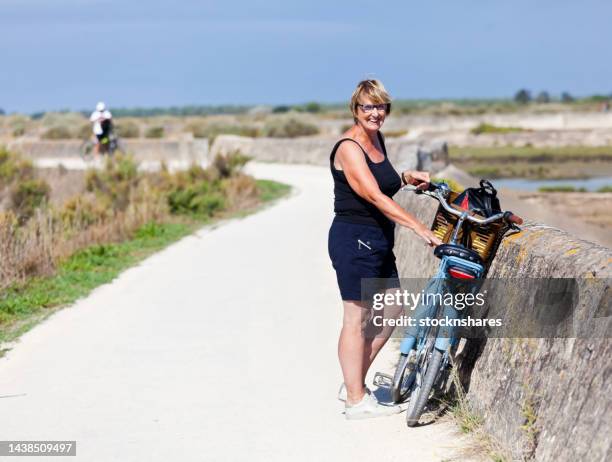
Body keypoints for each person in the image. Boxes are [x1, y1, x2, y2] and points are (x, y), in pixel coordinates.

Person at [328, 79, 442, 420]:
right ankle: (355, 401)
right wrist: (420, 227)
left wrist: (406, 177)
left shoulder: (377, 139)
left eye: (380, 107)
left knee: (392, 309)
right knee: (357, 318)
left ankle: (353, 382)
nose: (375, 113)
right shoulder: (349, 147)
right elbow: (374, 195)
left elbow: (386, 182)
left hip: (378, 238)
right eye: (368, 107)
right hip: (353, 238)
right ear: (355, 110)